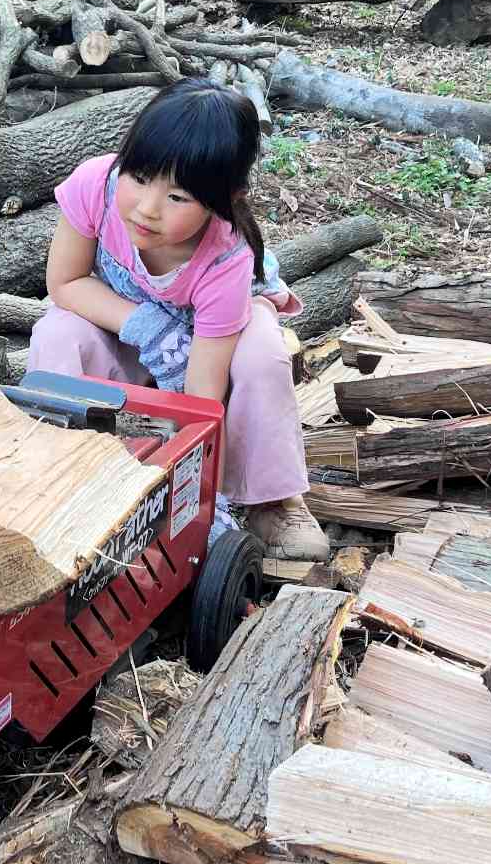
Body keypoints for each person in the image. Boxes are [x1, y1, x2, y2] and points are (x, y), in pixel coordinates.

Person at [27, 79, 328, 560]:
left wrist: (203, 502)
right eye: (141, 177)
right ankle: (63, 470)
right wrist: (147, 328)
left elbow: (201, 398)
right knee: (57, 331)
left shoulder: (224, 256)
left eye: (179, 197)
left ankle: (269, 497)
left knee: (261, 356)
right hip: (127, 315)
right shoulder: (95, 186)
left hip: (218, 334)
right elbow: (65, 283)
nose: (147, 208)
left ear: (221, 199)